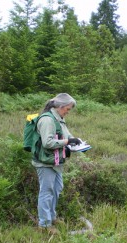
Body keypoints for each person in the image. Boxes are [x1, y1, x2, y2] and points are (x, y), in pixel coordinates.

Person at [32, 93, 81, 233]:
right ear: (60, 106)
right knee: (46, 192)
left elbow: (66, 135)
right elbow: (47, 143)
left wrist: (75, 140)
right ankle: (44, 225)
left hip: (56, 161)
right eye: (68, 109)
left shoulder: (59, 118)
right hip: (45, 162)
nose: (68, 112)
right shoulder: (47, 120)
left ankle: (52, 217)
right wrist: (67, 142)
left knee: (56, 189)